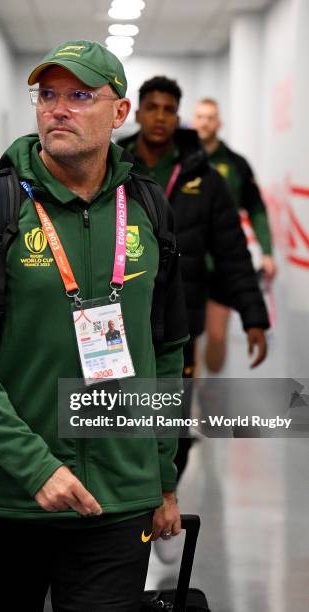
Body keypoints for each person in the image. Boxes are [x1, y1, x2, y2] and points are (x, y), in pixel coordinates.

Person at [0, 43, 189, 611]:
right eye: (47, 95)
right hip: (4, 497)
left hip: (118, 499)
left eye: (79, 96)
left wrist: (163, 477)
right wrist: (37, 468)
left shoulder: (148, 209)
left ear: (119, 112)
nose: (57, 109)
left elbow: (168, 349)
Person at [118, 76, 270, 486]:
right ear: (137, 111)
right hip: (119, 314)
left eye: (169, 109)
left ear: (177, 116)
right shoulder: (113, 166)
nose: (160, 117)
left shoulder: (207, 176)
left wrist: (253, 314)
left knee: (175, 418)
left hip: (181, 315)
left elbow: (232, 250)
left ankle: (165, 490)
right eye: (153, 107)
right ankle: (130, 506)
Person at [192, 97, 277, 372]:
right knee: (186, 338)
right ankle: (187, 400)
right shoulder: (179, 160)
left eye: (210, 117)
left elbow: (257, 210)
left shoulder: (236, 165)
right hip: (186, 262)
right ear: (193, 121)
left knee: (216, 335)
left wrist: (266, 252)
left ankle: (211, 392)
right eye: (200, 117)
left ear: (219, 123)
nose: (205, 122)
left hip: (222, 264)